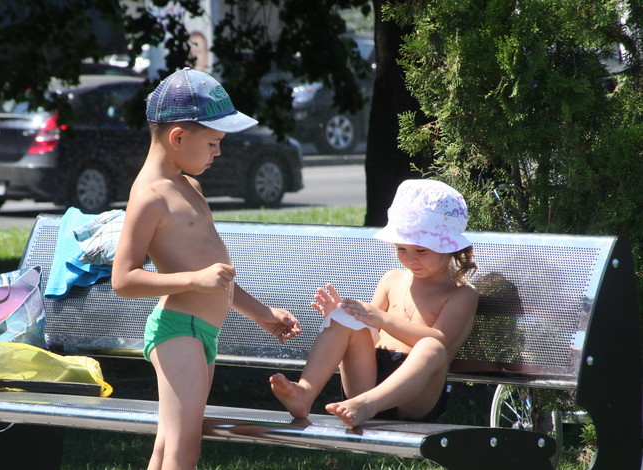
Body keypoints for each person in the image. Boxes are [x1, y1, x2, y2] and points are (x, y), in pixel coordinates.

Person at [111, 67, 303, 470]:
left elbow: (219, 279)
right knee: (185, 449)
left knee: (169, 447)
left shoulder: (190, 187)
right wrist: (194, 281)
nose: (218, 152)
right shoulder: (150, 196)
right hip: (177, 330)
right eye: (213, 143)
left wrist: (262, 314)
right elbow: (123, 279)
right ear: (178, 137)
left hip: (201, 333)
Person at [270, 179, 479, 429]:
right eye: (402, 249)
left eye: (421, 251)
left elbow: (441, 340)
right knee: (342, 320)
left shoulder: (461, 294)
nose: (410, 259)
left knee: (432, 348)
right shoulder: (392, 279)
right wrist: (343, 316)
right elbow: (372, 337)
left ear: (450, 249)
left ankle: (366, 405)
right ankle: (305, 393)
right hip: (368, 379)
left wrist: (381, 319)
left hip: (416, 390)